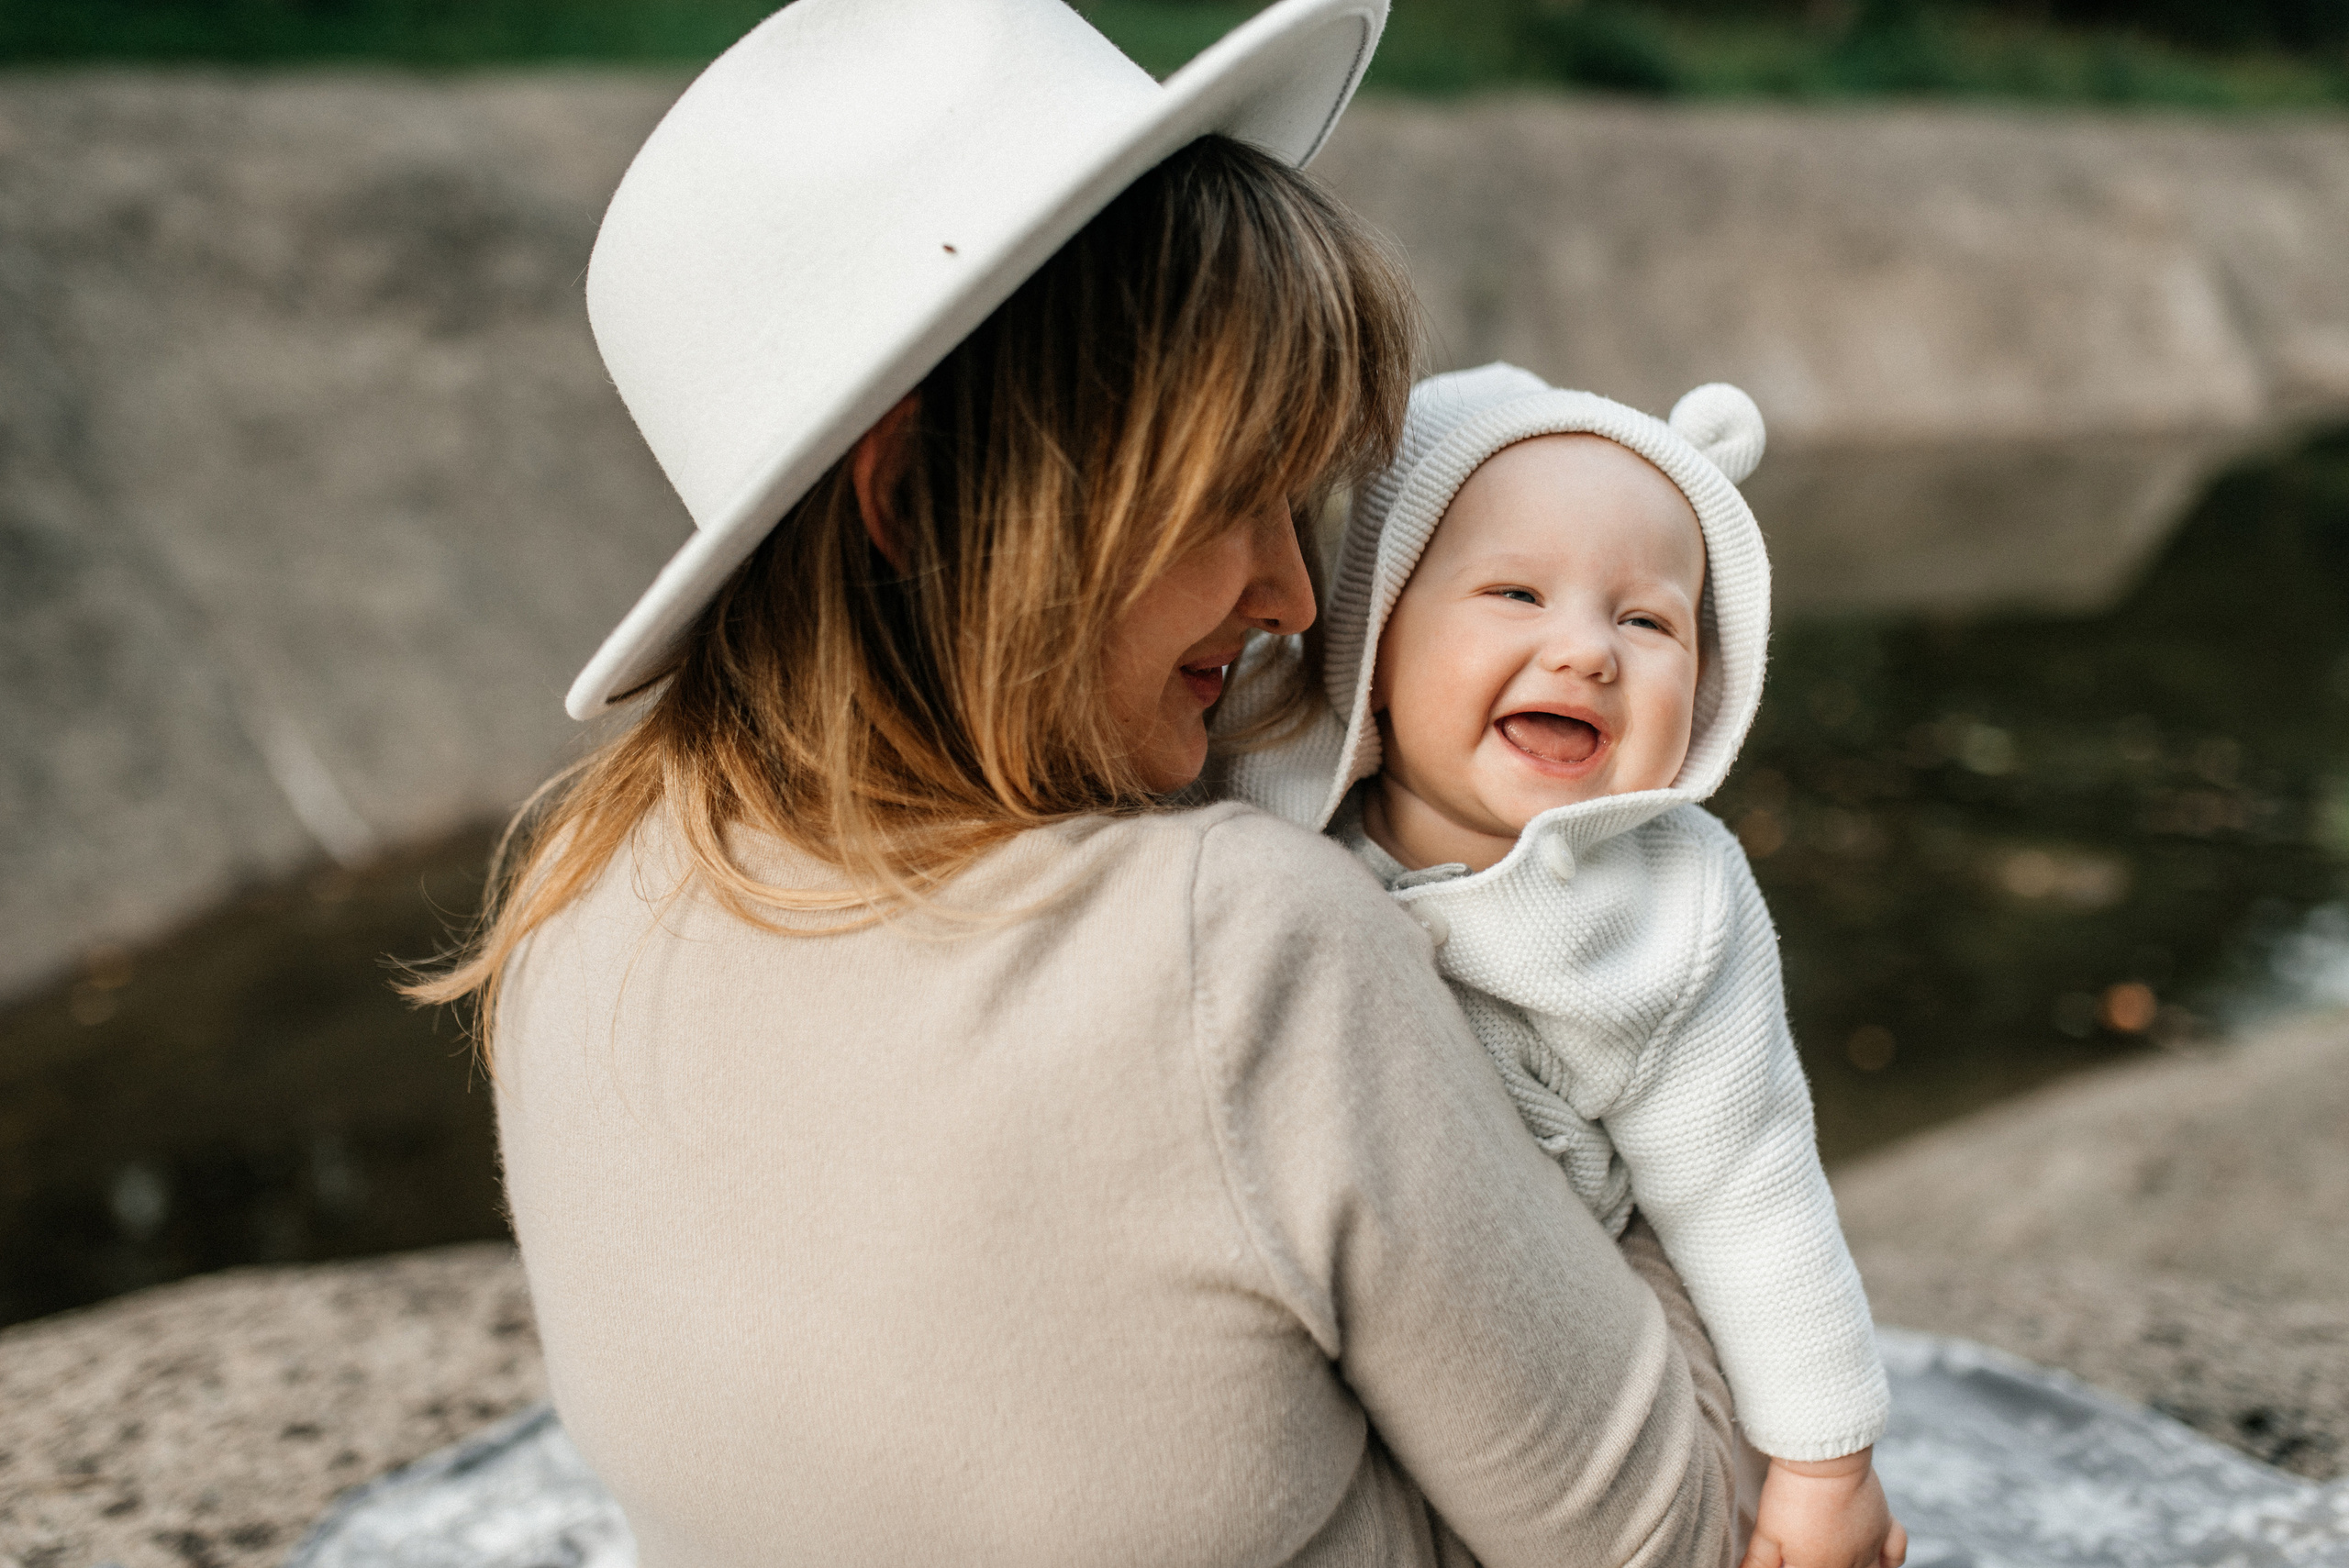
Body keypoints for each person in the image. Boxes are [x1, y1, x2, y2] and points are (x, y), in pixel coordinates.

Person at [413, 1, 1741, 1562]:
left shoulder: (569, 905)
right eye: (1226, 498)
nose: (1291, 594)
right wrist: (1658, 1033)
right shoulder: (1238, 947)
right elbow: (1681, 1538)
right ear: (917, 493)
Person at [1213, 363, 1905, 1568]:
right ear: (1373, 636)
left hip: (1549, 1322)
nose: (1585, 651)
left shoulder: (1672, 912)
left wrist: (1824, 1463)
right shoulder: (1268, 802)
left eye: (1648, 622)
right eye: (1516, 593)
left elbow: (1751, 1186)